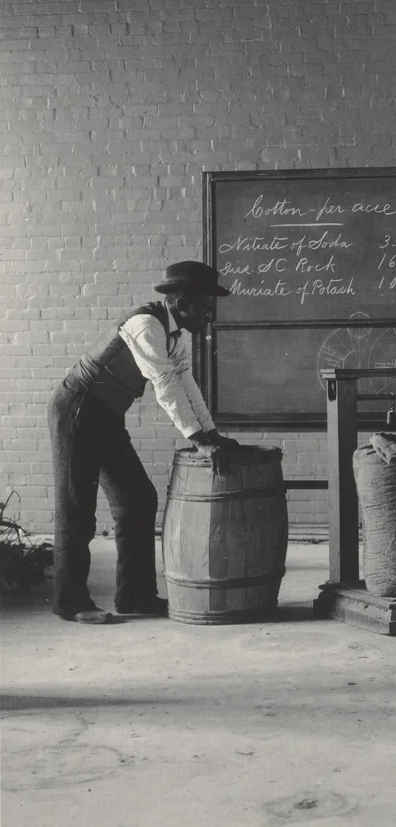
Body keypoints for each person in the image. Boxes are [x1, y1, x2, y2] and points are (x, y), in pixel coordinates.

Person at [49, 261, 240, 624]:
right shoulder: (145, 325)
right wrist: (199, 441)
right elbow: (165, 386)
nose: (209, 316)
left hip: (104, 416)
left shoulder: (174, 333)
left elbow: (186, 383)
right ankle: (70, 602)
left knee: (137, 499)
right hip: (77, 410)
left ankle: (134, 595)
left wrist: (212, 434)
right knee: (77, 509)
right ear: (181, 302)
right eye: (205, 308)